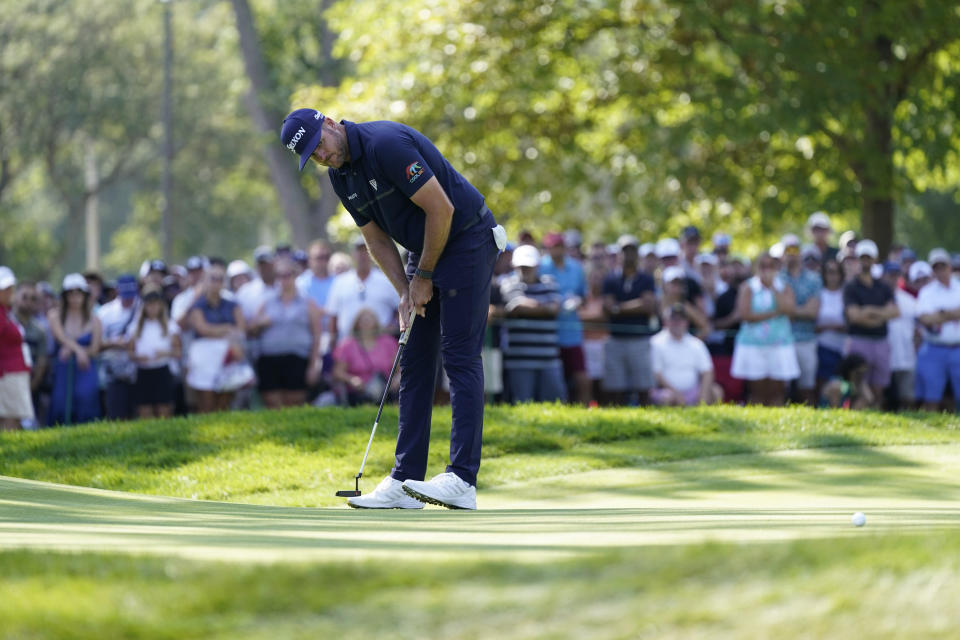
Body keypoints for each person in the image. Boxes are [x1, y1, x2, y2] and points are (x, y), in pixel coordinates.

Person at [281, 107, 501, 510]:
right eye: (312, 155)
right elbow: (376, 240)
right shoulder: (340, 177)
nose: (323, 157)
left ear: (330, 124)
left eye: (320, 145)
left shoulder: (386, 145)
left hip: (468, 238)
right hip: (428, 249)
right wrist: (404, 290)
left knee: (459, 357)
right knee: (415, 359)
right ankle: (406, 479)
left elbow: (442, 209)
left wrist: (424, 276)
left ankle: (462, 479)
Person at [250, 257, 323, 408]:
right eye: (279, 275)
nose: (283, 279)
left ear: (295, 275)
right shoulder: (267, 301)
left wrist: (313, 365)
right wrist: (259, 323)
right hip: (269, 358)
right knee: (272, 403)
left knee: (295, 402)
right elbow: (251, 330)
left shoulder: (307, 303)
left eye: (287, 274)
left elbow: (317, 336)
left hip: (297, 358)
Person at [498, 244, 566, 403]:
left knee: (555, 404)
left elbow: (556, 308)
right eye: (521, 266)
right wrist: (545, 308)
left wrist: (531, 308)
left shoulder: (550, 282)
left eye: (529, 266)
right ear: (514, 265)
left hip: (549, 358)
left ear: (537, 265)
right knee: (522, 405)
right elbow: (519, 305)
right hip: (519, 360)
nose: (525, 270)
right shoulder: (509, 282)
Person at [730, 252, 799, 406]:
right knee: (757, 391)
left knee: (778, 390)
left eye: (771, 266)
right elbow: (745, 315)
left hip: (780, 344)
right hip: (753, 345)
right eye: (763, 266)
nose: (767, 270)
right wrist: (774, 313)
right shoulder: (748, 287)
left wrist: (773, 288)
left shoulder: (783, 286)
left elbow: (790, 310)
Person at [602, 235, 658, 405]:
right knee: (615, 389)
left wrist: (619, 308)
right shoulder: (610, 279)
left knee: (643, 388)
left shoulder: (647, 278)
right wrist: (634, 305)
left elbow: (648, 306)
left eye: (632, 251)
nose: (629, 255)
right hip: (616, 339)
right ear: (619, 254)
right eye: (625, 251)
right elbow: (608, 308)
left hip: (639, 339)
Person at [843, 240, 899, 408]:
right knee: (860, 387)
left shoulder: (883, 286)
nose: (865, 261)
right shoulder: (851, 286)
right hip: (859, 340)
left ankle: (876, 419)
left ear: (874, 259)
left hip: (881, 341)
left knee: (879, 387)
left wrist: (868, 310)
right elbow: (854, 317)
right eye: (862, 257)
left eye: (869, 257)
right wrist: (881, 315)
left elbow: (895, 312)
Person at [186, 260, 246, 413]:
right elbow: (202, 328)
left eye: (220, 279)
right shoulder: (197, 304)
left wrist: (219, 332)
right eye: (213, 278)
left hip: (228, 354)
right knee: (206, 401)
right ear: (205, 280)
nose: (216, 283)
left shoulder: (232, 304)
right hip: (204, 356)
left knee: (224, 400)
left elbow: (240, 329)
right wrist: (226, 328)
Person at [539, 231, 590, 404]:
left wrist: (577, 301)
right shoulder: (540, 267)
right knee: (555, 382)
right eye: (553, 247)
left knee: (582, 378)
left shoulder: (576, 267)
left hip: (572, 333)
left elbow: (584, 296)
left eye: (560, 246)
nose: (557, 251)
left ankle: (582, 413)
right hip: (548, 335)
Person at [47, 273, 101, 426]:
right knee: (61, 404)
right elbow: (60, 337)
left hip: (85, 369)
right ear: (65, 296)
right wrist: (78, 350)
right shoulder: (55, 316)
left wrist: (78, 352)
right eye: (71, 293)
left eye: (79, 293)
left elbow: (95, 349)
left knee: (85, 400)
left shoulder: (95, 320)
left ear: (85, 295)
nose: (75, 297)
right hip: (64, 370)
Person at [325, 239, 400, 347]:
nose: (362, 255)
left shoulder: (386, 280)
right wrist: (332, 342)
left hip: (381, 344)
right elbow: (333, 315)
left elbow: (399, 309)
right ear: (353, 255)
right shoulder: (340, 281)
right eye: (359, 251)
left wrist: (393, 326)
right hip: (348, 344)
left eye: (366, 251)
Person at [651, 304, 723, 406]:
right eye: (674, 319)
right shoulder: (655, 342)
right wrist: (676, 393)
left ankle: (706, 416)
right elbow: (657, 374)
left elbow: (707, 371)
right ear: (665, 321)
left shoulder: (696, 344)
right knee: (666, 397)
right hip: (667, 391)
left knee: (716, 391)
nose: (677, 322)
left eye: (681, 319)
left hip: (693, 391)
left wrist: (703, 394)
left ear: (687, 322)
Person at [915, 249, 960, 412]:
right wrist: (953, 313)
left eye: (943, 266)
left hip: (958, 348)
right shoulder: (927, 292)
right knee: (931, 396)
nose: (941, 270)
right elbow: (925, 319)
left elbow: (934, 317)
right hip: (934, 348)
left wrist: (940, 314)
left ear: (949, 266)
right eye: (936, 267)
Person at [780, 234, 822, 405]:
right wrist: (800, 309)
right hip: (782, 339)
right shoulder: (777, 279)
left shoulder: (814, 278)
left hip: (807, 340)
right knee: (782, 386)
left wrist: (789, 309)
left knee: (807, 387)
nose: (791, 254)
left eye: (794, 249)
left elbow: (812, 312)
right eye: (788, 250)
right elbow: (779, 309)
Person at [129, 284, 180, 418]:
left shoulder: (170, 325)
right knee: (145, 411)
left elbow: (178, 352)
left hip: (162, 371)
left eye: (156, 304)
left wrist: (165, 353)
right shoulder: (135, 327)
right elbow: (130, 353)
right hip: (143, 372)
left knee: (164, 410)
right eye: (149, 304)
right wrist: (139, 357)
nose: (152, 308)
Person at [331, 307, 401, 405]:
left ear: (376, 322)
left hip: (386, 393)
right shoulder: (347, 345)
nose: (366, 323)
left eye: (369, 320)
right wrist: (351, 380)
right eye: (363, 320)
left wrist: (397, 379)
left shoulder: (388, 343)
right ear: (357, 324)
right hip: (357, 394)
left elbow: (399, 370)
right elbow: (337, 372)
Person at [97, 274, 140, 420]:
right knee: (116, 416)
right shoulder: (105, 312)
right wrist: (115, 343)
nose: (128, 299)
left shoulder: (143, 308)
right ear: (117, 290)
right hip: (113, 374)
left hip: (139, 371)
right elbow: (97, 344)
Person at [0, 267, 34, 430]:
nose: (8, 292)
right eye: (4, 289)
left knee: (14, 418)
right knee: (10, 418)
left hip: (14, 372)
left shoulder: (7, 312)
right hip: (7, 373)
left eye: (9, 288)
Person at [13, 282, 49, 427]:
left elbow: (41, 362)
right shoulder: (6, 323)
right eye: (25, 297)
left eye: (33, 299)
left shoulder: (39, 331)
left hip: (30, 386)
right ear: (16, 297)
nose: (28, 302)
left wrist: (31, 386)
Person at [815, 258, 848, 389]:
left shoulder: (846, 294)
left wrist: (827, 327)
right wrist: (834, 327)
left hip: (842, 348)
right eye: (829, 272)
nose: (833, 276)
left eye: (836, 272)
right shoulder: (819, 293)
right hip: (822, 345)